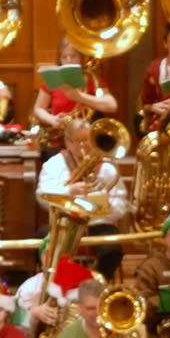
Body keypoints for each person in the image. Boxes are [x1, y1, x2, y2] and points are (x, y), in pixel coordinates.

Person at [36, 117, 131, 281]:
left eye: (86, 140)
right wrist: (69, 190)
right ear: (67, 142)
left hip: (98, 224)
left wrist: (109, 206)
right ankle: (61, 285)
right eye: (77, 141)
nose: (82, 146)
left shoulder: (108, 167)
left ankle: (97, 283)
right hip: (64, 223)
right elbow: (42, 195)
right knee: (41, 241)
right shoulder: (53, 165)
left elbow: (121, 203)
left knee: (112, 251)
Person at [32, 34, 118, 160]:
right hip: (59, 141)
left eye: (73, 56)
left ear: (81, 58)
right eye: (64, 57)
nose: (68, 60)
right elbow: (38, 108)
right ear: (59, 59)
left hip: (86, 140)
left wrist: (80, 97)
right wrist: (52, 119)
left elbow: (112, 106)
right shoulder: (53, 81)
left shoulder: (93, 80)